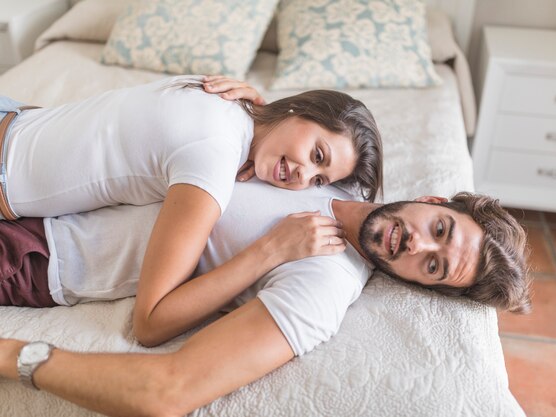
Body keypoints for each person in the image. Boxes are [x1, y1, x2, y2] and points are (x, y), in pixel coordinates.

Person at [0, 178, 530, 417]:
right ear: (434, 199)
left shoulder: (324, 284)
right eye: (439, 227)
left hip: (37, 247)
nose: (418, 244)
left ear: (420, 283)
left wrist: (14, 356)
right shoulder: (344, 172)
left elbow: (168, 390)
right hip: (38, 174)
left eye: (432, 266)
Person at [0, 75, 383, 344]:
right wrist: (271, 250)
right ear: (299, 109)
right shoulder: (213, 158)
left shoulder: (225, 99)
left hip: (15, 117)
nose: (303, 176)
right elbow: (150, 323)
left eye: (318, 180)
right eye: (317, 154)